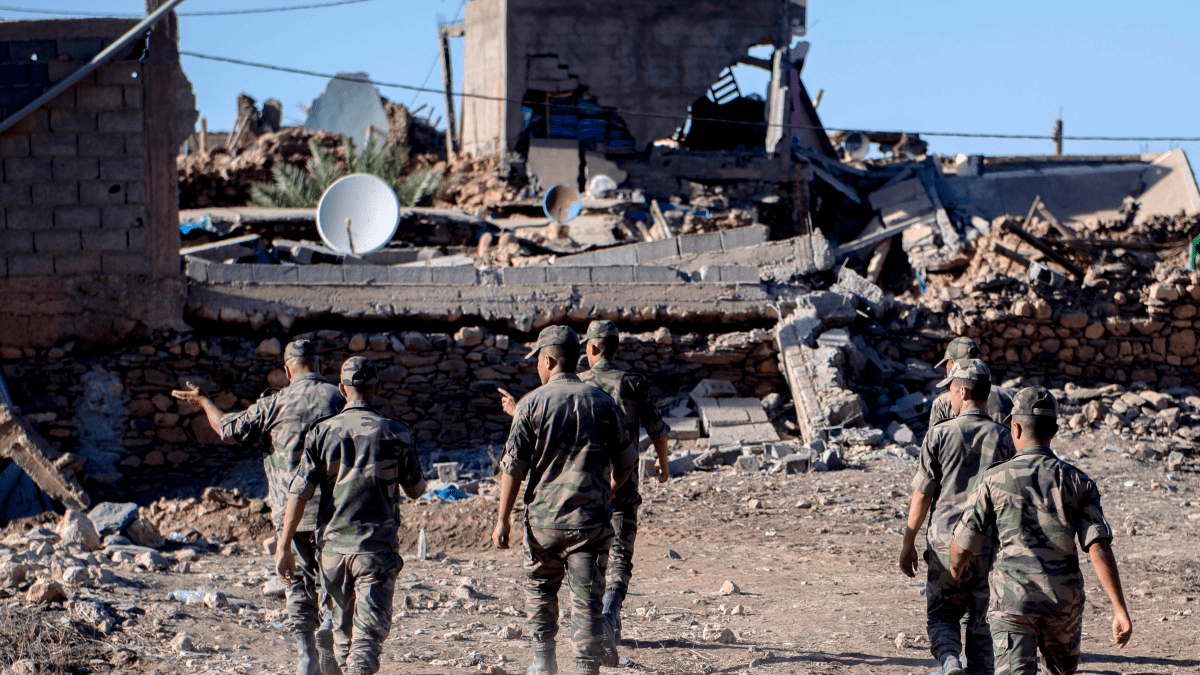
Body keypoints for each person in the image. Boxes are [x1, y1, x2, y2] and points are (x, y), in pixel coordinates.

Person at [172, 339, 344, 675]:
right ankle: (330, 638)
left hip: (288, 514)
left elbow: (226, 428)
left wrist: (204, 400)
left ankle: (306, 654)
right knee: (332, 580)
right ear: (319, 364)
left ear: (286, 370)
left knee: (295, 582)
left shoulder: (275, 404)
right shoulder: (339, 399)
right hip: (333, 510)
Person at [951, 387, 1132, 675]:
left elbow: (964, 543)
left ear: (1016, 426)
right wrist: (1119, 609)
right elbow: (1098, 546)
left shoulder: (993, 479)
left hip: (1013, 602)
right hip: (1062, 604)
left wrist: (957, 569)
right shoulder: (1079, 481)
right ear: (1055, 430)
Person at [492, 325, 635, 675]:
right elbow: (627, 461)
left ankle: (543, 664)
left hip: (543, 525)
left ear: (550, 360)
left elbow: (513, 469)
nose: (537, 368)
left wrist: (503, 519)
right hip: (589, 524)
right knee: (587, 602)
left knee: (541, 592)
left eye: (538, 361)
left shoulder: (530, 405)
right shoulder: (603, 403)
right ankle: (586, 668)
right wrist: (609, 490)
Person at [276, 357, 426, 675]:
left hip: (332, 555)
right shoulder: (397, 433)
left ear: (342, 390)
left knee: (345, 642)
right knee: (366, 642)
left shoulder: (321, 433)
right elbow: (416, 490)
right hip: (376, 551)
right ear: (377, 388)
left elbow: (298, 493)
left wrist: (283, 546)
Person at [899, 359, 1016, 675]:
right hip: (989, 547)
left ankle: (950, 661)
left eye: (950, 389)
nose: (948, 396)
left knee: (942, 616)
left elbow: (922, 495)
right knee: (983, 623)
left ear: (962, 391)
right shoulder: (1006, 438)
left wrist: (908, 542)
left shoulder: (939, 435)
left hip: (944, 544)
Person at [576, 320, 670, 645]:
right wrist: (663, 465)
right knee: (620, 555)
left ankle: (593, 623)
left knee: (589, 553)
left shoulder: (575, 385)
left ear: (591, 348)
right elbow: (658, 429)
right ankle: (610, 613)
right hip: (624, 483)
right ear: (616, 349)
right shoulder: (633, 383)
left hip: (585, 488)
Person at [928, 337, 1014, 426]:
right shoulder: (1009, 395)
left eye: (947, 363)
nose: (946, 367)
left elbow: (933, 438)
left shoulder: (943, 402)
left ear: (953, 363)